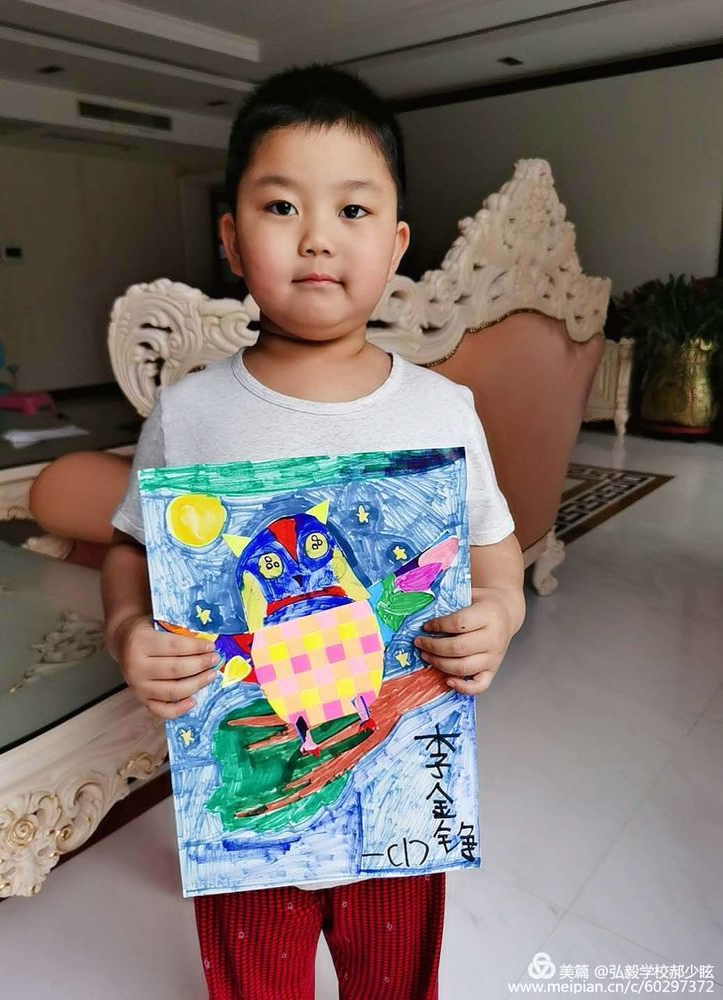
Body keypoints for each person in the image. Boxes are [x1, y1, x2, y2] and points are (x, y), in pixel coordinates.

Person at [102, 62, 526, 1000]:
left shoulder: (443, 410)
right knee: (256, 978)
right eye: (282, 206)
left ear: (398, 242)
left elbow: (492, 543)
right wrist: (128, 628)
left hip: (400, 796)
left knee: (393, 974)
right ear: (231, 238)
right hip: (249, 834)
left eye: (353, 209)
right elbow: (132, 547)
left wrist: (500, 608)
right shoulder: (189, 413)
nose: (318, 237)